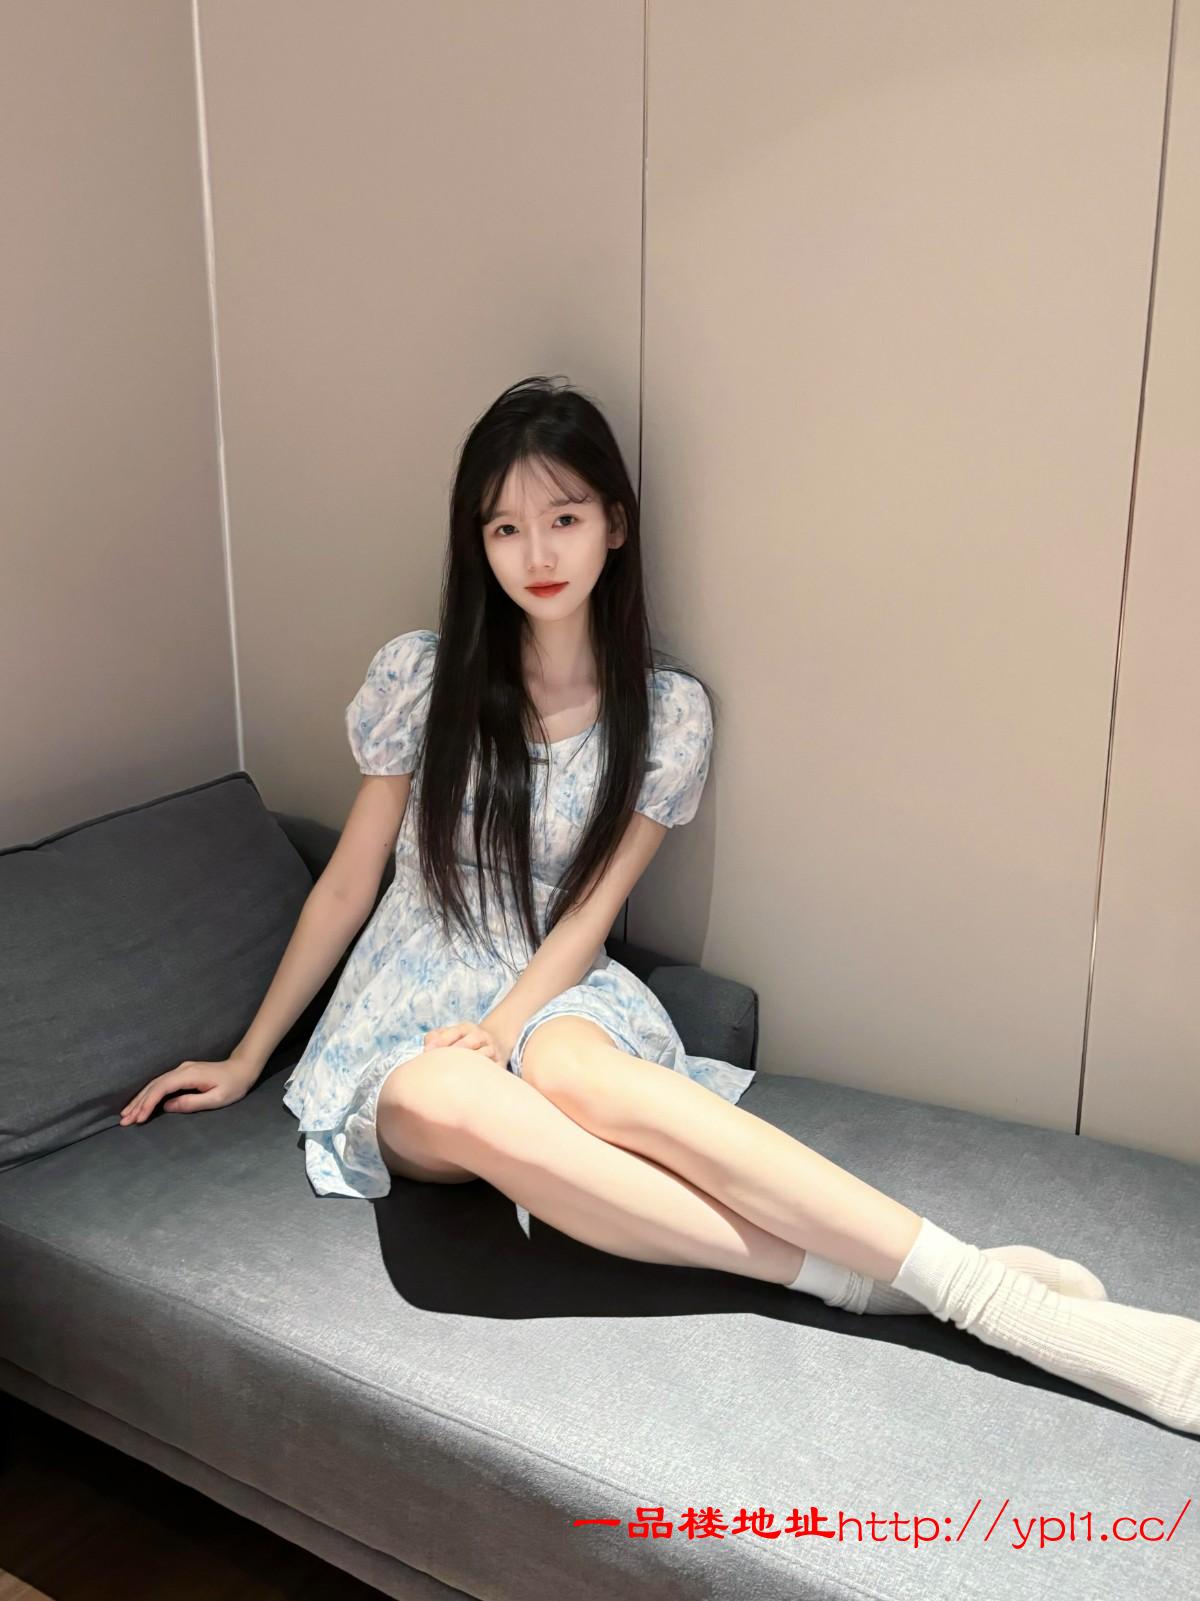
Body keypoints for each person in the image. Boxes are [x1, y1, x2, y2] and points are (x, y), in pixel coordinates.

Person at [121, 375, 1199, 1435]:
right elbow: (351, 881)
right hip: (407, 1013)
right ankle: (875, 1285)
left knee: (574, 1070)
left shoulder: (665, 712)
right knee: (451, 1093)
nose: (537, 554)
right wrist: (251, 1055)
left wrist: (506, 1023)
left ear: (615, 524)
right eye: (505, 528)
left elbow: (588, 914)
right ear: (476, 543)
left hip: (557, 985)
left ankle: (981, 1290)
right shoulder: (423, 679)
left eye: (564, 517)